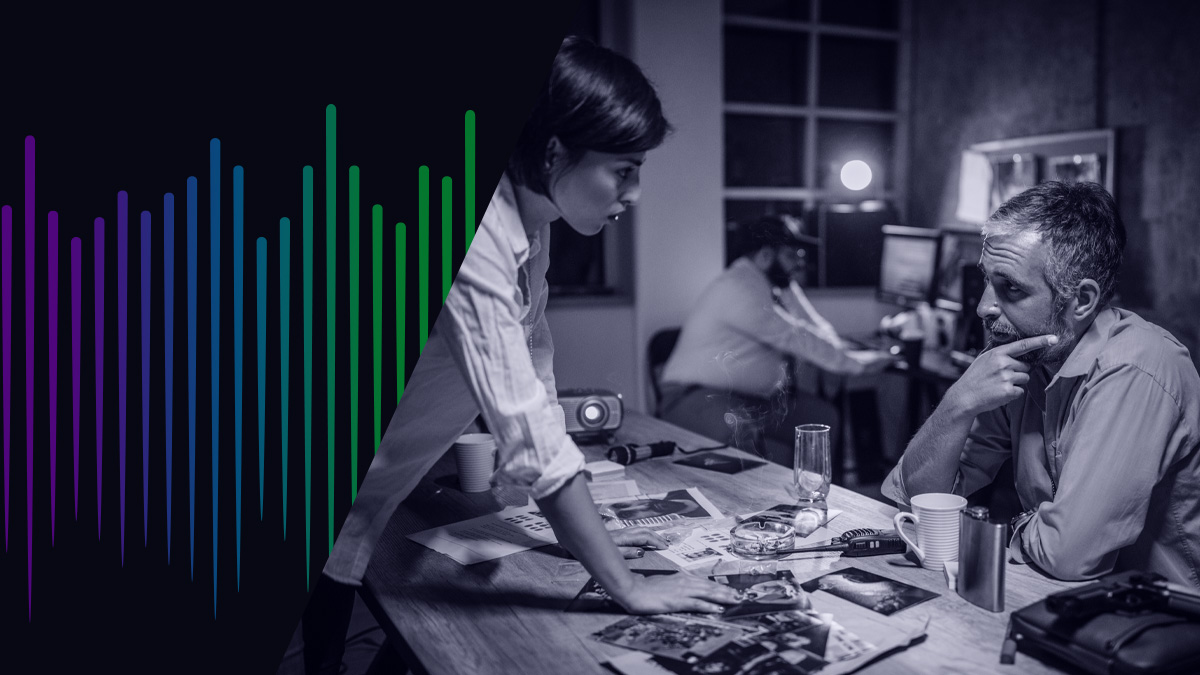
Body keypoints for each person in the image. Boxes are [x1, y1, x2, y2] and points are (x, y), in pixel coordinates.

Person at [298, 37, 738, 673]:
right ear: (555, 151)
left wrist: (591, 540)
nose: (636, 192)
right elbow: (528, 427)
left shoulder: (533, 225)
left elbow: (535, 367)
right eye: (624, 169)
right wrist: (630, 587)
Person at [882, 181, 1200, 588]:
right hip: (1069, 603)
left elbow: (1066, 554)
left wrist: (1002, 526)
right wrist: (957, 402)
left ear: (1081, 301)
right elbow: (919, 502)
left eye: (1011, 288)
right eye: (986, 280)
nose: (983, 307)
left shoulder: (1135, 368)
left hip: (1164, 624)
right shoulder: (1024, 355)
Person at [658, 214, 890, 467]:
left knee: (822, 418)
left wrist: (789, 289)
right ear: (766, 256)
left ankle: (812, 494)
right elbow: (795, 337)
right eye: (791, 256)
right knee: (741, 431)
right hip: (695, 397)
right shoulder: (739, 287)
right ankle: (758, 505)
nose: (799, 264)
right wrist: (860, 364)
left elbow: (817, 330)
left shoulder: (770, 286)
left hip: (749, 398)